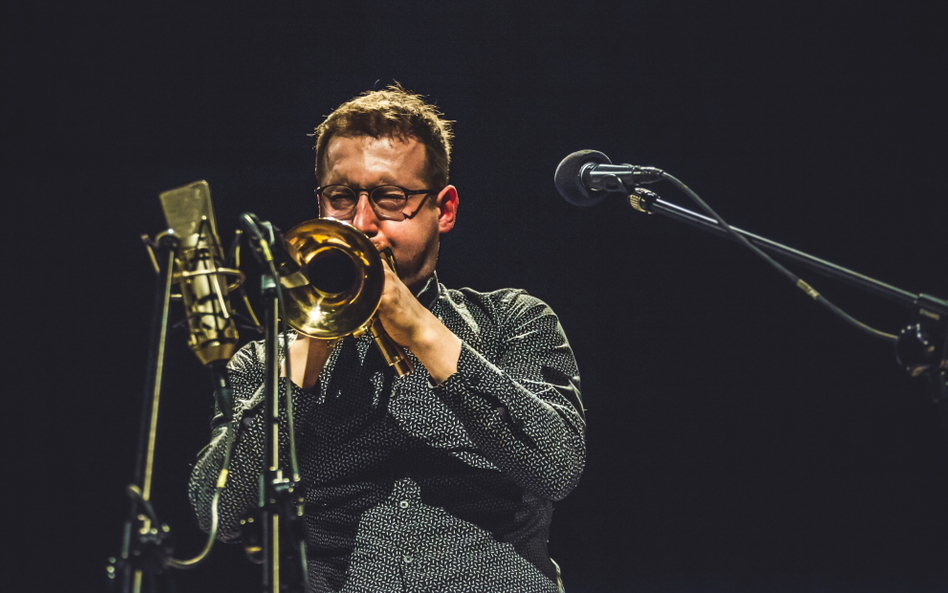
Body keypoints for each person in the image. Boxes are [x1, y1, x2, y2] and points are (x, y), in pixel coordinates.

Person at [189, 85, 586, 593]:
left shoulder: (514, 321)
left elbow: (558, 468)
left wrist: (422, 331)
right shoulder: (269, 354)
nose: (361, 224)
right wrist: (307, 349)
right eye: (341, 198)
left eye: (389, 198)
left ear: (443, 209)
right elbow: (217, 514)